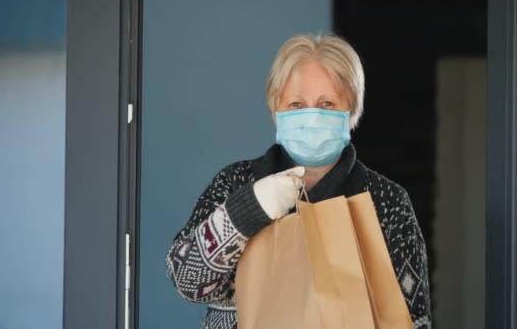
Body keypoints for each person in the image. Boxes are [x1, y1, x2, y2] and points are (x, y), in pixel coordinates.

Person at [165, 34, 432, 329]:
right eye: (296, 104)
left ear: (352, 112)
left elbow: (414, 318)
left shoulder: (387, 201)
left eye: (327, 103)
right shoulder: (236, 182)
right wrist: (249, 209)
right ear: (275, 110)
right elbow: (186, 281)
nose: (312, 116)